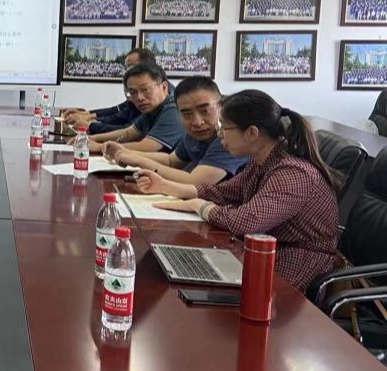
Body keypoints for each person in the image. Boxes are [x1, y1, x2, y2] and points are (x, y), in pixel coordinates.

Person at [136, 90, 339, 290]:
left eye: (224, 128)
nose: (220, 136)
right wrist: (163, 186)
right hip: (262, 253)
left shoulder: (293, 173)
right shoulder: (262, 161)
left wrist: (200, 206)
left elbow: (244, 222)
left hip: (292, 267)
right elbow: (223, 193)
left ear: (252, 133)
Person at [102, 76, 247, 186]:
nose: (197, 122)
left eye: (205, 111)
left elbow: (195, 182)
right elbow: (171, 161)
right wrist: (127, 152)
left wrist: (139, 160)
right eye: (186, 114)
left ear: (221, 107)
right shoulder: (194, 133)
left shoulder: (230, 137)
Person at [82, 62, 184, 154]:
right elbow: (128, 133)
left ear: (164, 87)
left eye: (145, 89)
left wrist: (100, 147)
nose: (139, 97)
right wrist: (89, 138)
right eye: (133, 92)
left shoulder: (174, 108)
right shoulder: (152, 109)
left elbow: (148, 146)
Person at [63, 48, 154, 133]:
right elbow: (117, 114)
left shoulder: (153, 103)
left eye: (130, 67)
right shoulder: (133, 99)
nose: (126, 72)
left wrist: (90, 124)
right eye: (126, 68)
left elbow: (128, 130)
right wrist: (87, 116)